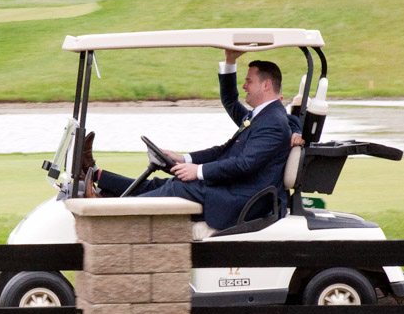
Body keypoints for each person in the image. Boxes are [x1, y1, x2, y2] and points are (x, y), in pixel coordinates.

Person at [88, 55, 295, 231]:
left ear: (266, 85)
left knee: (178, 190)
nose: (244, 86)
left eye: (249, 81)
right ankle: (98, 176)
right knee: (168, 183)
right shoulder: (261, 116)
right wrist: (183, 158)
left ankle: (108, 213)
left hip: (246, 200)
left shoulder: (273, 122)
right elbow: (223, 151)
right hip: (236, 189)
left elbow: (244, 164)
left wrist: (198, 171)